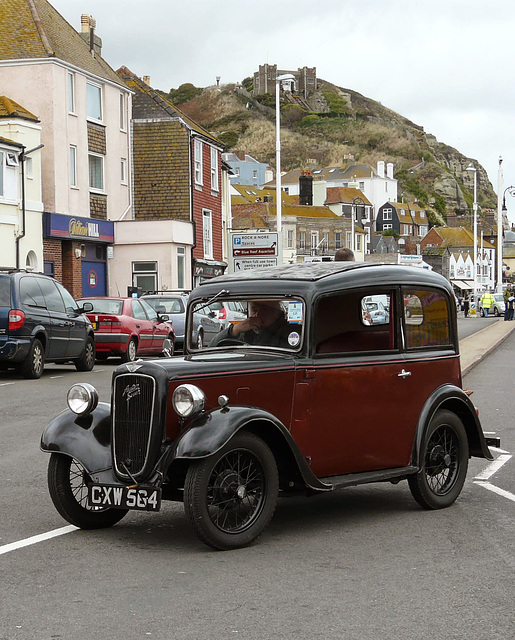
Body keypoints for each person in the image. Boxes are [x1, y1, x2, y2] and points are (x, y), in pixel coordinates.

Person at [210, 300, 292, 348]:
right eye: (254, 310)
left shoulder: (288, 333)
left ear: (276, 312)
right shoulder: (244, 332)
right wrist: (234, 330)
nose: (257, 315)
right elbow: (212, 347)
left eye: (264, 310)